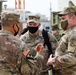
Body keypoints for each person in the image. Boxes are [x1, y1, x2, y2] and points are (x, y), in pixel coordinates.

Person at [47, 6, 76, 75]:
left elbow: (73, 57)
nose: (61, 21)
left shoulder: (74, 33)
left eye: (63, 19)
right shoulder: (69, 32)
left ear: (73, 18)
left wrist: (53, 61)